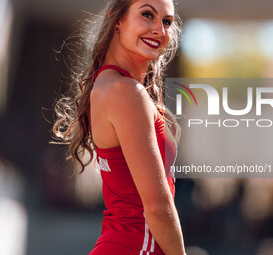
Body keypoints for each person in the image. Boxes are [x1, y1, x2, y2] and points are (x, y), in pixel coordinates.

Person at [53, 0, 185, 254]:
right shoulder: (126, 92)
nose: (159, 29)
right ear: (117, 20)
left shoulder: (108, 84)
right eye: (148, 15)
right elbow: (157, 207)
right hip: (137, 246)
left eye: (166, 22)